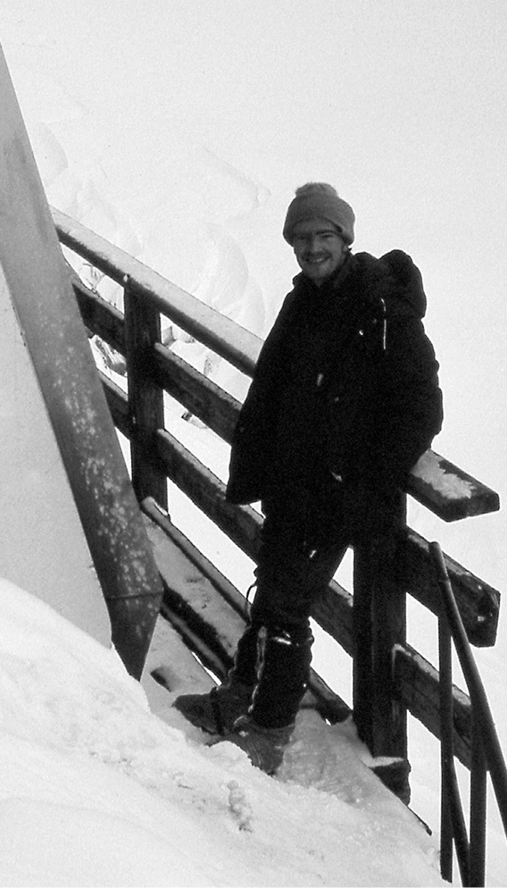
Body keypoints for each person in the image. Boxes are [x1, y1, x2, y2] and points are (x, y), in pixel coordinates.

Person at [174, 183, 443, 774]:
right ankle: (240, 697)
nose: (312, 248)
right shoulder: (308, 299)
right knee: (271, 590)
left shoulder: (379, 309)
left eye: (324, 236)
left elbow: (421, 410)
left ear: (345, 240)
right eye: (302, 237)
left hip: (334, 495)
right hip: (295, 482)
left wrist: (356, 476)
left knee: (287, 604)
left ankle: (267, 733)